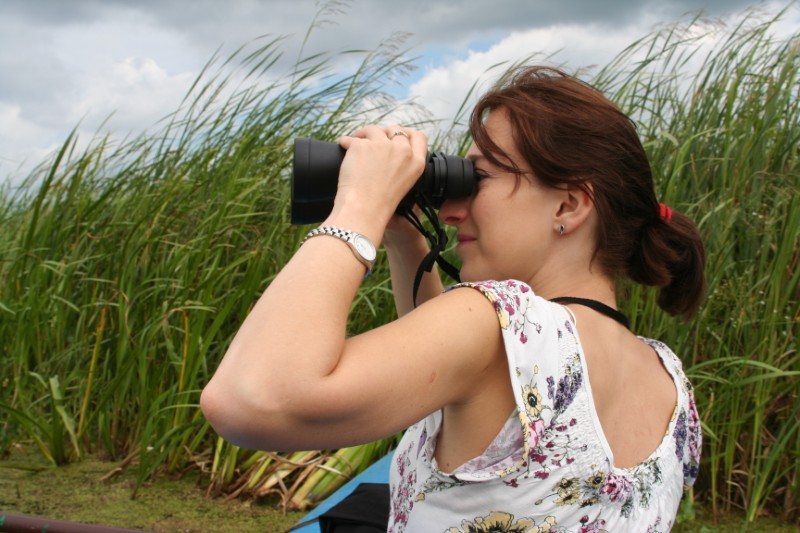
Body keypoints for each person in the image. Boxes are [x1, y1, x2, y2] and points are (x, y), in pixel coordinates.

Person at [201, 66, 705, 532]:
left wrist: (359, 206)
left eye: (477, 178)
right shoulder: (669, 381)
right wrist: (404, 236)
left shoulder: (501, 318)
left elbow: (249, 401)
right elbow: (453, 395)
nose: (451, 210)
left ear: (568, 204)